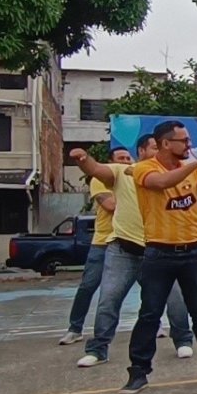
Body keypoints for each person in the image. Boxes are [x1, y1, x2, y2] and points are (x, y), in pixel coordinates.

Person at [119, 120, 197, 394]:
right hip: (159, 252)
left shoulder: (192, 171)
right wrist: (195, 165)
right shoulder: (145, 168)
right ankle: (138, 372)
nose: (189, 145)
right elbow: (162, 184)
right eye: (183, 140)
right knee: (150, 313)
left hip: (193, 251)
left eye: (189, 140)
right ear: (166, 144)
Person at [69, 137, 195, 369]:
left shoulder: (169, 177)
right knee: (109, 298)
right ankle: (98, 349)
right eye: (155, 148)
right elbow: (96, 169)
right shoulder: (122, 172)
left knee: (175, 300)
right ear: (142, 151)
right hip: (123, 249)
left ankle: (183, 341)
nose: (160, 152)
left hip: (159, 250)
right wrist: (83, 160)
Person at [58, 147, 129, 345]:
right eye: (120, 158)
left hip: (130, 241)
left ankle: (156, 325)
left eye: (128, 158)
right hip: (103, 242)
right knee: (88, 286)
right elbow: (111, 206)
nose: (125, 161)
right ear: (110, 163)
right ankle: (75, 329)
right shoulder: (99, 180)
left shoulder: (134, 179)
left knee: (151, 287)